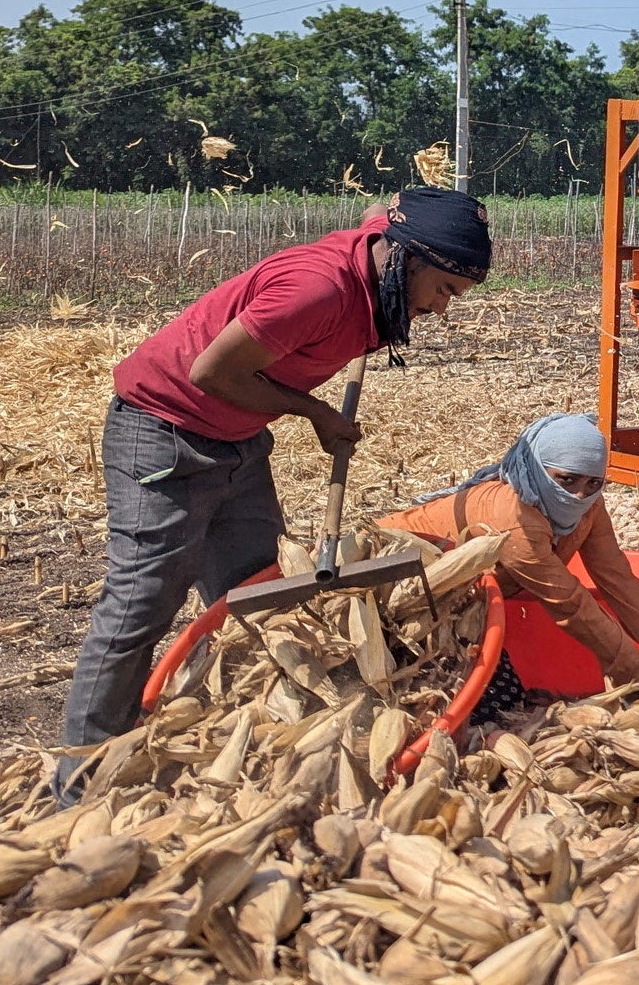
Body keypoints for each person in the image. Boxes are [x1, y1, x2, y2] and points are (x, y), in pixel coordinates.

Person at [58, 186, 491, 798]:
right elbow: (212, 371)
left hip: (236, 441)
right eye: (443, 288)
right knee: (139, 607)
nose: (443, 307)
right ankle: (80, 783)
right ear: (406, 257)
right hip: (165, 435)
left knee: (262, 595)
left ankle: (247, 745)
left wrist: (412, 202)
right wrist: (314, 412)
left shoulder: (383, 256)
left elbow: (379, 217)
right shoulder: (317, 290)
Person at [378, 414, 639, 703]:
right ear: (538, 468)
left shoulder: (590, 508)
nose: (579, 495)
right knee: (467, 706)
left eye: (593, 483)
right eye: (566, 480)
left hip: (464, 607)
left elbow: (619, 579)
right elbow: (569, 603)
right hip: (397, 592)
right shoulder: (514, 517)